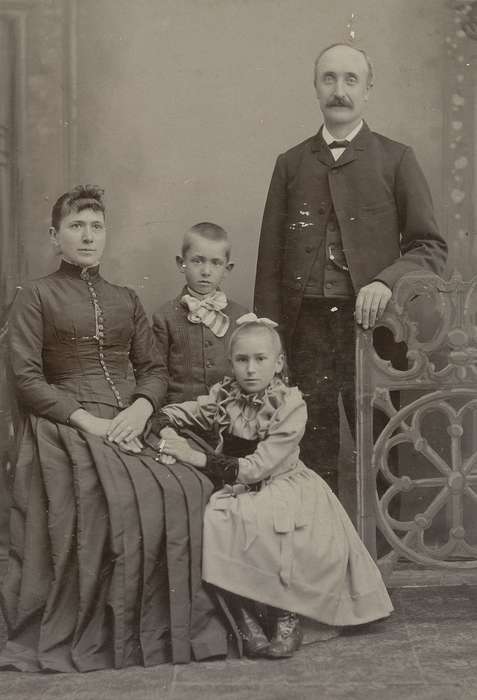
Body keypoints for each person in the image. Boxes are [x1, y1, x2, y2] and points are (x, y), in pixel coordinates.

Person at [0, 186, 228, 672]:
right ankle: (115, 633)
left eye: (96, 227)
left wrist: (142, 409)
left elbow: (153, 368)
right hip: (66, 422)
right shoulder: (36, 295)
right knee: (116, 499)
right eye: (76, 226)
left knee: (192, 485)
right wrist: (89, 421)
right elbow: (25, 378)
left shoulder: (126, 298)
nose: (87, 237)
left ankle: (174, 630)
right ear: (55, 235)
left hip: (132, 418)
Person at [253, 43, 448, 493]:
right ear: (316, 87)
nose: (339, 90)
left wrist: (384, 280)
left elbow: (429, 247)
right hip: (306, 333)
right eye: (329, 79)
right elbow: (269, 261)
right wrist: (271, 336)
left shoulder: (396, 159)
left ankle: (380, 562)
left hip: (375, 328)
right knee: (310, 448)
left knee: (382, 446)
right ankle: (323, 554)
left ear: (368, 90)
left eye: (350, 79)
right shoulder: (291, 163)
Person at [146, 314, 393, 659]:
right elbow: (180, 412)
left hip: (281, 483)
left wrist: (195, 457)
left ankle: (285, 617)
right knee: (217, 521)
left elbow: (259, 467)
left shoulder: (289, 405)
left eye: (260, 359)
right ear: (231, 364)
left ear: (277, 364)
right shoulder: (224, 397)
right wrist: (166, 427)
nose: (250, 369)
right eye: (242, 360)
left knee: (269, 525)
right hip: (239, 487)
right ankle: (246, 617)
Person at [152, 222, 247, 405]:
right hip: (180, 412)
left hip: (230, 412)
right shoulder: (165, 317)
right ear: (182, 264)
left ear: (228, 269)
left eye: (216, 263)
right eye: (197, 261)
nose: (206, 271)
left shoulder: (241, 317)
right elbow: (156, 374)